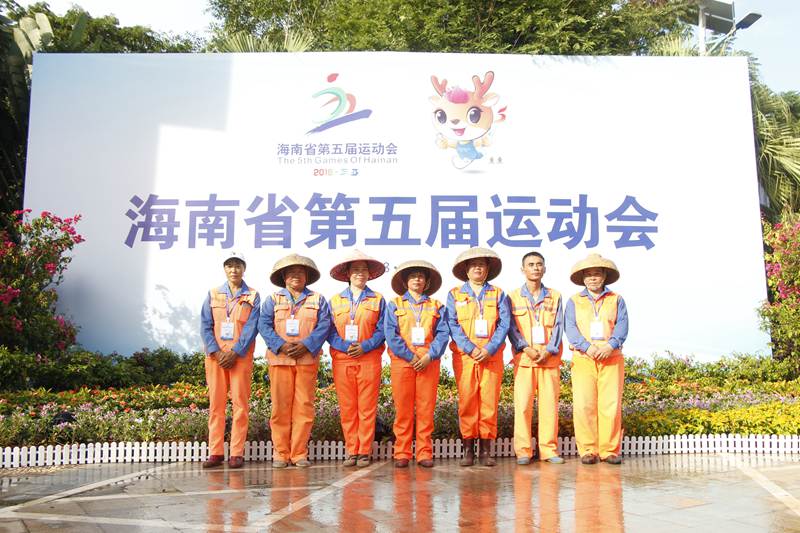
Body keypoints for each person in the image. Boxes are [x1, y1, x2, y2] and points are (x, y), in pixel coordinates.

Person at [258, 253, 331, 468]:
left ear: (307, 276)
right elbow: (264, 324)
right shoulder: (273, 300)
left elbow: (324, 325)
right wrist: (280, 345)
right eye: (291, 272)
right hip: (280, 360)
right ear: (284, 277)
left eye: (300, 272)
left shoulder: (318, 299)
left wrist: (306, 345)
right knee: (280, 407)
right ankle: (281, 453)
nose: (296, 275)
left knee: (304, 407)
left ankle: (299, 453)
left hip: (307, 360)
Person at [446, 247, 510, 466]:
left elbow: (504, 324)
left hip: (491, 357)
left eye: (481, 264)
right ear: (466, 269)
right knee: (467, 402)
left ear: (487, 269)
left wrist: (489, 349)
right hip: (465, 357)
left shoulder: (498, 294)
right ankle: (468, 450)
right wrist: (470, 348)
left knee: (489, 403)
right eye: (473, 265)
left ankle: (485, 451)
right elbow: (452, 324)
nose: (477, 268)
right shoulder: (455, 294)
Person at [564, 253, 629, 465]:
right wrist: (588, 347)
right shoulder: (574, 301)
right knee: (584, 404)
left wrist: (610, 346)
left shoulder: (616, 299)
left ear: (604, 276)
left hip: (611, 357)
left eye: (597, 274)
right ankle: (588, 450)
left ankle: (609, 450)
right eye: (589, 274)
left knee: (611, 404)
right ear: (583, 278)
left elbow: (622, 326)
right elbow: (570, 328)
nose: (593, 278)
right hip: (584, 358)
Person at [384, 260, 450, 468]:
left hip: (428, 362)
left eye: (421, 276)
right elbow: (391, 334)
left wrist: (430, 355)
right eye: (413, 276)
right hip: (403, 362)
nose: (417, 280)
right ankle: (402, 452)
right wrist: (409, 356)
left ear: (427, 282)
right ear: (405, 282)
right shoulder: (394, 304)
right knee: (402, 409)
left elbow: (443, 333)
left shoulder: (437, 306)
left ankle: (424, 452)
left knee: (426, 409)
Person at [199, 252, 260, 469]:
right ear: (224, 269)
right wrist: (216, 352)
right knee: (216, 404)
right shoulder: (213, 294)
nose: (234, 270)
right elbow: (205, 325)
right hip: (215, 358)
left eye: (238, 265)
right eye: (230, 265)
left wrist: (235, 352)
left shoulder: (252, 296)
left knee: (240, 405)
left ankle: (236, 453)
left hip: (240, 358)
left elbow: (252, 327)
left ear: (244, 269)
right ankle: (215, 452)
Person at [327, 249, 387, 468]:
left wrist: (365, 346)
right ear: (347, 274)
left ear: (369, 274)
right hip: (342, 359)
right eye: (355, 270)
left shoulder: (378, 299)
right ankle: (352, 450)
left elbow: (383, 329)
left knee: (367, 407)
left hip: (369, 358)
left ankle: (364, 451)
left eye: (364, 270)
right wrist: (345, 346)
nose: (360, 273)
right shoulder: (335, 301)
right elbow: (329, 330)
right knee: (348, 407)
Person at [507, 251, 566, 465]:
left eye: (539, 264)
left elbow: (559, 326)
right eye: (531, 264)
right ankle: (523, 451)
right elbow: (511, 327)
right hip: (525, 360)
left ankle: (548, 450)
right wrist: (526, 348)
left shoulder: (555, 296)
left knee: (549, 407)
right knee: (523, 406)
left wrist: (549, 350)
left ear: (545, 268)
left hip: (549, 361)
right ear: (522, 269)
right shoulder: (512, 296)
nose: (535, 268)